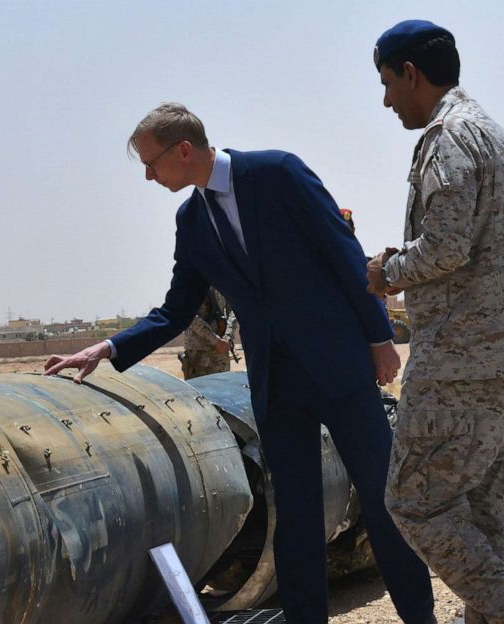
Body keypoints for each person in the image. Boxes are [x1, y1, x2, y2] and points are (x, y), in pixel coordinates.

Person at [44, 103, 434, 623]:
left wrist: (379, 337)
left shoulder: (277, 174)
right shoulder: (192, 220)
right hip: (277, 385)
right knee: (294, 518)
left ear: (183, 150)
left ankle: (420, 617)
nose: (147, 176)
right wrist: (108, 348)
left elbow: (343, 252)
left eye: (151, 163)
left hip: (338, 367)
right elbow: (176, 307)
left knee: (384, 502)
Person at [366, 20, 504, 624]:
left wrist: (385, 270)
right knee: (492, 515)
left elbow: (445, 246)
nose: (386, 100)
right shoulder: (496, 136)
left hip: (463, 365)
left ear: (412, 73)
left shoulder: (449, 137)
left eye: (387, 83)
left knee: (413, 502)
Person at [179, 287, 237, 379]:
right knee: (199, 391)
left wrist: (228, 336)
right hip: (199, 353)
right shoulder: (190, 280)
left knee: (223, 389)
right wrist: (215, 340)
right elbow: (187, 314)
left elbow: (234, 310)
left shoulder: (224, 281)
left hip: (221, 351)